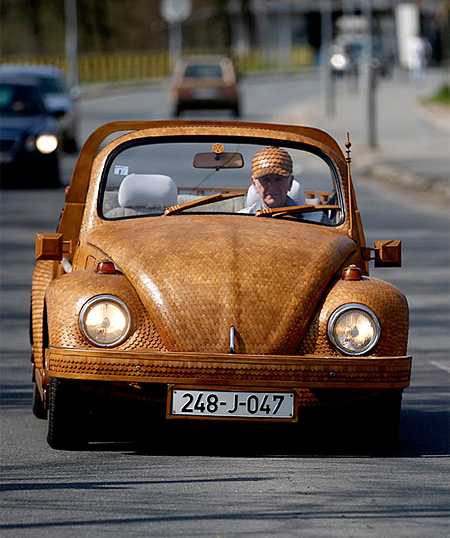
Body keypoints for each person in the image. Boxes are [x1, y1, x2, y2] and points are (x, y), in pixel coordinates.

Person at [239, 146, 300, 214]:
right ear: (254, 184)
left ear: (290, 183)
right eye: (266, 180)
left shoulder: (310, 219)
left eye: (278, 179)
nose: (272, 188)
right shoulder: (242, 219)